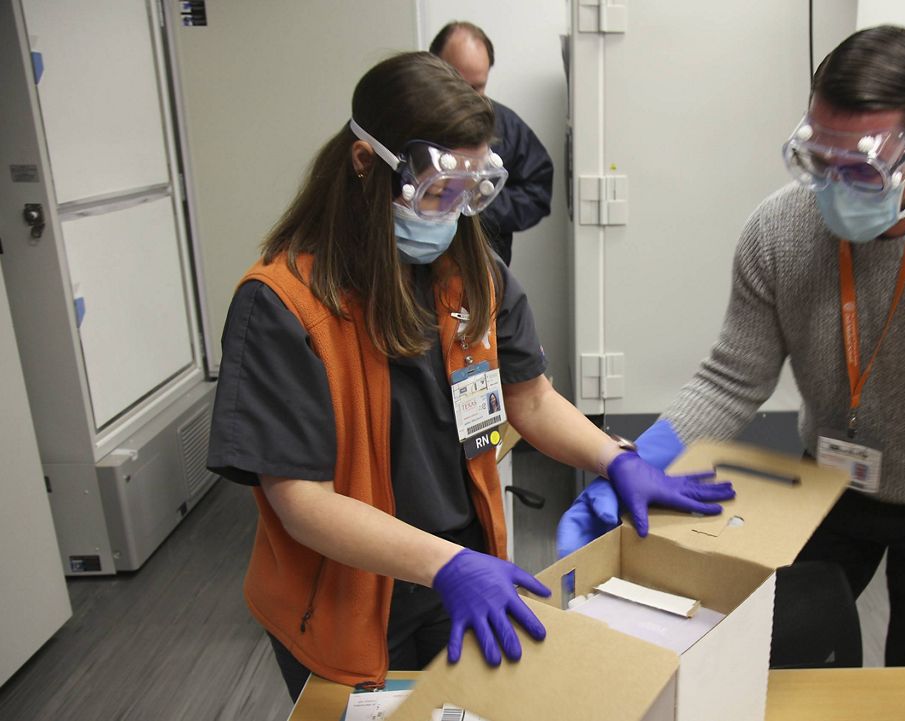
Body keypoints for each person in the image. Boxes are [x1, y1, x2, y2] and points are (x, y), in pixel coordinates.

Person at [557, 26, 905, 721]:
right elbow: (730, 378)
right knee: (780, 653)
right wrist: (634, 462)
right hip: (825, 483)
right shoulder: (779, 233)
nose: (832, 187)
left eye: (861, 168)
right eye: (816, 158)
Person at [205, 52, 734, 701]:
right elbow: (303, 503)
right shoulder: (284, 304)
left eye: (470, 191)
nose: (453, 211)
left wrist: (615, 459)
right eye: (437, 189)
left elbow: (530, 398)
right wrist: (443, 564)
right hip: (350, 596)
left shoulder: (470, 272)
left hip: (464, 570)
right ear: (366, 163)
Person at [430, 21, 554, 266]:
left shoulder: (506, 126)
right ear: (433, 68)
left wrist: (480, 199)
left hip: (483, 272)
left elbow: (537, 192)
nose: (467, 98)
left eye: (477, 87)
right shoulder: (405, 120)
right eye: (457, 83)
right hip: (411, 275)